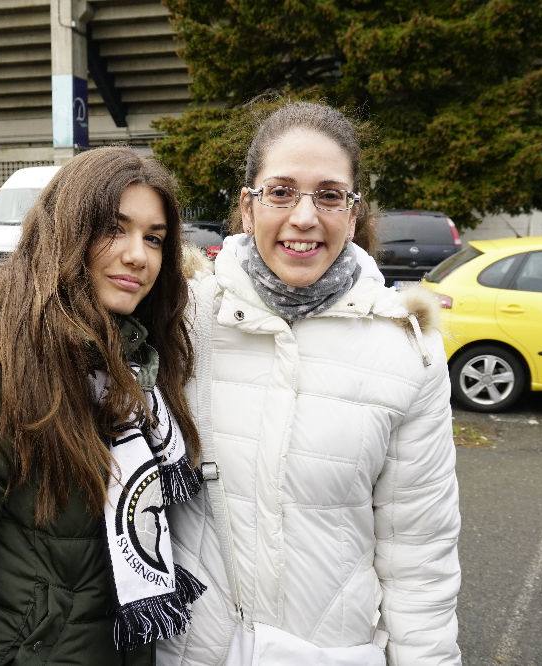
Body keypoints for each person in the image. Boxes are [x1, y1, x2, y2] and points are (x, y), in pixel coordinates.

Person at [0, 146, 206, 665]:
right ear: (61, 235)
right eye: (113, 229)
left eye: (154, 238)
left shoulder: (138, 372)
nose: (138, 255)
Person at [159, 101, 461, 665]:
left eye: (328, 195)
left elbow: (420, 556)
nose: (304, 217)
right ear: (247, 208)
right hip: (191, 652)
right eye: (280, 192)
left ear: (352, 213)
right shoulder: (181, 324)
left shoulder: (406, 354)